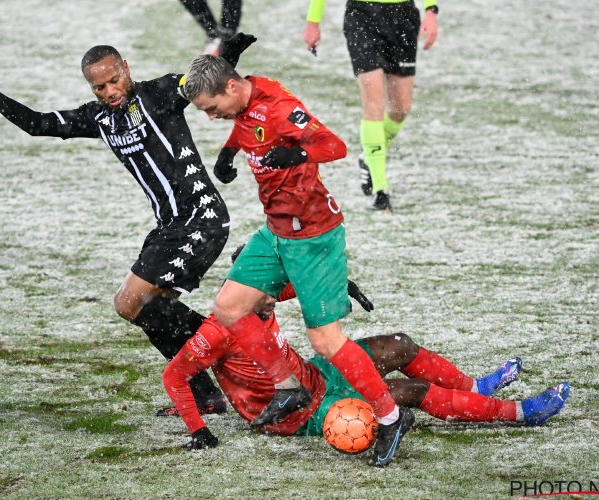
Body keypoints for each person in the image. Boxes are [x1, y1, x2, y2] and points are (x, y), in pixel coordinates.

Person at [0, 35, 256, 416]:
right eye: (99, 86)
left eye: (114, 80)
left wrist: (230, 54)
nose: (109, 91)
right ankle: (205, 392)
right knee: (150, 310)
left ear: (126, 70)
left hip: (200, 218)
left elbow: (200, 79)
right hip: (170, 226)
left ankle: (225, 342)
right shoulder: (99, 118)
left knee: (131, 303)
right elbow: (38, 124)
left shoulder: (160, 93)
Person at [182, 55, 413, 467]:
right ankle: (289, 386)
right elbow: (245, 121)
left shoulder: (283, 110)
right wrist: (229, 150)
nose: (212, 117)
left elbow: (334, 146)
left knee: (326, 341)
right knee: (229, 308)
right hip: (275, 232)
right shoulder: (253, 94)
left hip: (313, 237)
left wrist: (296, 157)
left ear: (230, 88)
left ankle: (392, 418)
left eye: (211, 109)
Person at [162, 287, 570, 454]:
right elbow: (174, 376)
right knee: (404, 391)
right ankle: (517, 413)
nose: (273, 299)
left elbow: (295, 287)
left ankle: (475, 386)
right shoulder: (216, 331)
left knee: (401, 345)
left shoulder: (261, 294)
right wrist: (198, 430)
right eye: (265, 294)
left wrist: (339, 284)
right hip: (297, 413)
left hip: (315, 375)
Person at [303, 0, 440, 211]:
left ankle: (370, 154)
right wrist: (313, 21)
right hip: (362, 17)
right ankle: (380, 190)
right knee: (374, 106)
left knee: (400, 109)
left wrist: (431, 11)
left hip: (403, 18)